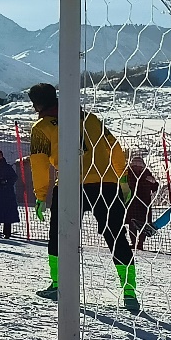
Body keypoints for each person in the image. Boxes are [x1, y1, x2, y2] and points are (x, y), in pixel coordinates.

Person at [28, 82, 136, 311]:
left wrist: (41, 195)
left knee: (60, 236)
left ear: (36, 105)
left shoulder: (41, 126)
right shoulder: (91, 118)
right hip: (106, 184)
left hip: (70, 185)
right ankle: (129, 291)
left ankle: (58, 285)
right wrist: (122, 179)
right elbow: (115, 147)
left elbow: (38, 165)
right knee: (116, 235)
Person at [125, 156, 160, 250]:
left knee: (143, 224)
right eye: (135, 166)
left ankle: (140, 243)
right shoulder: (128, 173)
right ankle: (134, 242)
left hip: (144, 203)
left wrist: (153, 182)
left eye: (139, 166)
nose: (137, 167)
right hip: (132, 202)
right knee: (132, 224)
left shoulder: (147, 173)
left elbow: (155, 187)